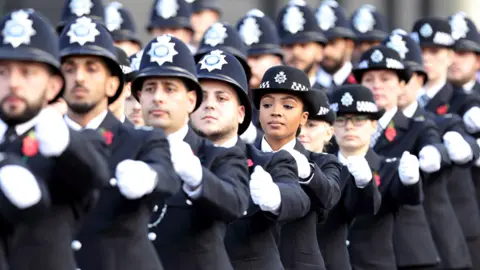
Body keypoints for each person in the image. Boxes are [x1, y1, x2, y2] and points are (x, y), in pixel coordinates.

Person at [59, 17, 180, 270]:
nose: (79, 78)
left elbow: (166, 175)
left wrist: (149, 176)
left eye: (92, 68)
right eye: (69, 68)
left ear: (113, 84)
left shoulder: (140, 138)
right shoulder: (39, 139)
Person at [0, 9, 111, 270]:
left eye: (28, 72)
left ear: (53, 86)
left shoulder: (70, 143)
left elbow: (93, 173)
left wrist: (62, 143)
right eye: (3, 72)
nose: (14, 83)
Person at [132, 34, 250, 269]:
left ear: (190, 100)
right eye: (150, 88)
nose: (158, 98)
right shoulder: (123, 148)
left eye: (169, 88)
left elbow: (235, 203)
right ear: (139, 97)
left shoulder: (217, 155)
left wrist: (197, 177)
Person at [190, 49, 310, 269]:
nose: (209, 104)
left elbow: (297, 197)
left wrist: (274, 197)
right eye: (202, 97)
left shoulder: (268, 162)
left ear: (241, 113)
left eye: (221, 98)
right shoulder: (178, 160)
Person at [382, 29, 478, 269]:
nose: (400, 85)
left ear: (420, 79)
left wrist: (462, 150)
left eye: (408, 75)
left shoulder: (437, 121)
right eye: (389, 76)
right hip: (380, 245)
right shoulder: (366, 127)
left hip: (435, 242)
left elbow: (453, 140)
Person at [251, 65, 342, 269]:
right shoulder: (241, 158)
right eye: (267, 104)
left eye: (288, 106)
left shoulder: (322, 163)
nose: (275, 112)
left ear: (304, 117)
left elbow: (330, 196)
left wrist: (308, 172)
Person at [329, 84, 422, 270]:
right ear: (331, 127)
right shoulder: (322, 168)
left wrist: (410, 181)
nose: (349, 127)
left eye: (359, 120)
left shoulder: (389, 168)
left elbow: (406, 195)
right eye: (340, 120)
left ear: (374, 125)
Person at [412, 17, 480, 269]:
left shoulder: (466, 102)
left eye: (435, 51)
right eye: (421, 50)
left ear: (450, 56)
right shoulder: (401, 100)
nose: (426, 57)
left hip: (459, 219)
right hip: (412, 222)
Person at [299, 89, 381, 270]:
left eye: (311, 125)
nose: (302, 132)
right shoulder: (275, 165)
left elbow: (364, 206)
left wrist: (364, 183)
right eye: (298, 125)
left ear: (330, 132)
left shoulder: (339, 171)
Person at [275, 0, 327, 86]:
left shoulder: (331, 97)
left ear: (320, 51)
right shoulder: (269, 98)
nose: (296, 52)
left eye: (304, 45)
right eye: (289, 46)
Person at [314, 0, 357, 91]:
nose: (326, 51)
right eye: (322, 44)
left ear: (349, 45)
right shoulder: (306, 85)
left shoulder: (362, 81)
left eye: (333, 43)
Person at [108, 47, 136, 126]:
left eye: (116, 85)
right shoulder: (72, 134)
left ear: (128, 89)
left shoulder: (140, 137)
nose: (108, 91)